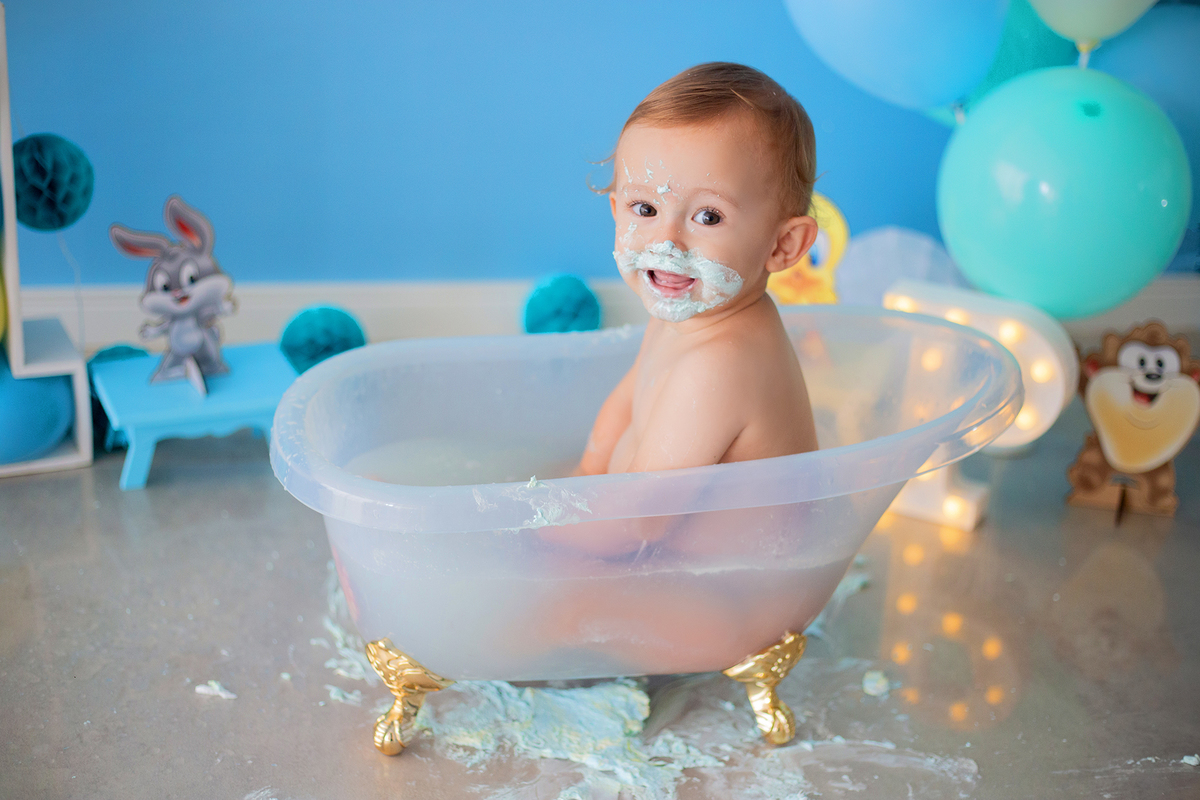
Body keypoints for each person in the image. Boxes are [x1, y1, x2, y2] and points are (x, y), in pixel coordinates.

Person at [574, 62, 820, 480]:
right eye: (646, 209)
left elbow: (640, 522)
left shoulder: (721, 365)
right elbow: (620, 411)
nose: (666, 242)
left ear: (782, 245)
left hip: (741, 549)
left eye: (708, 217)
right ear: (616, 211)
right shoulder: (684, 316)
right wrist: (581, 475)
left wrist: (543, 538)